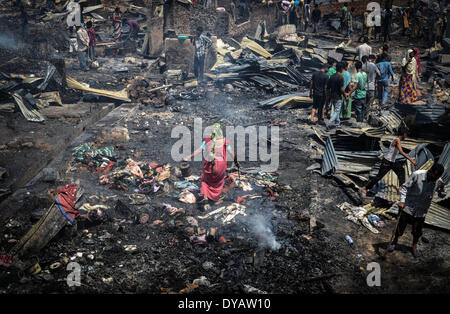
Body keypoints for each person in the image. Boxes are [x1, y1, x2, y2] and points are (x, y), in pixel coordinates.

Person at [389, 163, 445, 257]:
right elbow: (404, 188)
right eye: (434, 176)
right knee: (400, 227)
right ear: (430, 171)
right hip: (408, 206)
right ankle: (394, 241)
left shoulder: (438, 181)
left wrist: (442, 188)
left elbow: (441, 195)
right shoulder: (417, 174)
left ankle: (414, 246)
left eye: (438, 177)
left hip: (421, 210)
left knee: (417, 231)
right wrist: (402, 201)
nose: (435, 179)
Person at [182, 123, 240, 204]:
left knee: (205, 181)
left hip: (210, 166)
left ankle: (205, 197)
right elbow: (231, 152)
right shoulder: (224, 140)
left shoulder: (207, 140)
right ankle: (214, 199)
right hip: (221, 166)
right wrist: (236, 162)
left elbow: (199, 150)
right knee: (218, 183)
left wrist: (187, 157)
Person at [362, 127, 417, 198]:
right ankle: (365, 188)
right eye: (406, 135)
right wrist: (411, 160)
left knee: (401, 171)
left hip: (392, 162)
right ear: (404, 134)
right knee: (379, 177)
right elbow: (401, 151)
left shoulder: (398, 140)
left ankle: (400, 188)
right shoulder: (397, 140)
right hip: (387, 162)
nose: (406, 137)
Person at [327, 62, 349, 130]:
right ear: (341, 68)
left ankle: (337, 124)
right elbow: (341, 89)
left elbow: (328, 87)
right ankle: (329, 123)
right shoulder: (340, 77)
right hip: (338, 96)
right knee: (337, 111)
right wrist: (345, 95)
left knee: (336, 110)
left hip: (332, 95)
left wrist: (328, 96)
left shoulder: (332, 76)